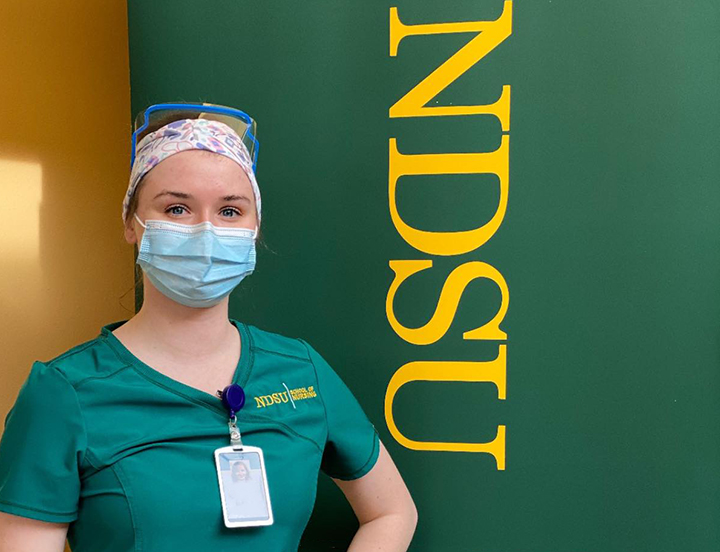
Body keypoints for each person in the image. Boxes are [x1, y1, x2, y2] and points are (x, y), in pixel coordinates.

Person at [0, 102, 418, 552]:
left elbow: (393, 512)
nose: (206, 232)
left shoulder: (301, 371)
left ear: (255, 227)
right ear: (131, 223)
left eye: (230, 211)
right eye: (177, 209)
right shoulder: (63, 393)